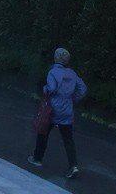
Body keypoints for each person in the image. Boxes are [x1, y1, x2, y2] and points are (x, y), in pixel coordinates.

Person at [28, 47, 87, 179]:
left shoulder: (53, 72)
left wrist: (45, 89)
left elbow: (52, 88)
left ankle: (37, 158)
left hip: (52, 109)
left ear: (56, 58)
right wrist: (73, 99)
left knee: (43, 132)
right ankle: (73, 166)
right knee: (68, 139)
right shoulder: (72, 74)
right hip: (67, 110)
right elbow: (82, 89)